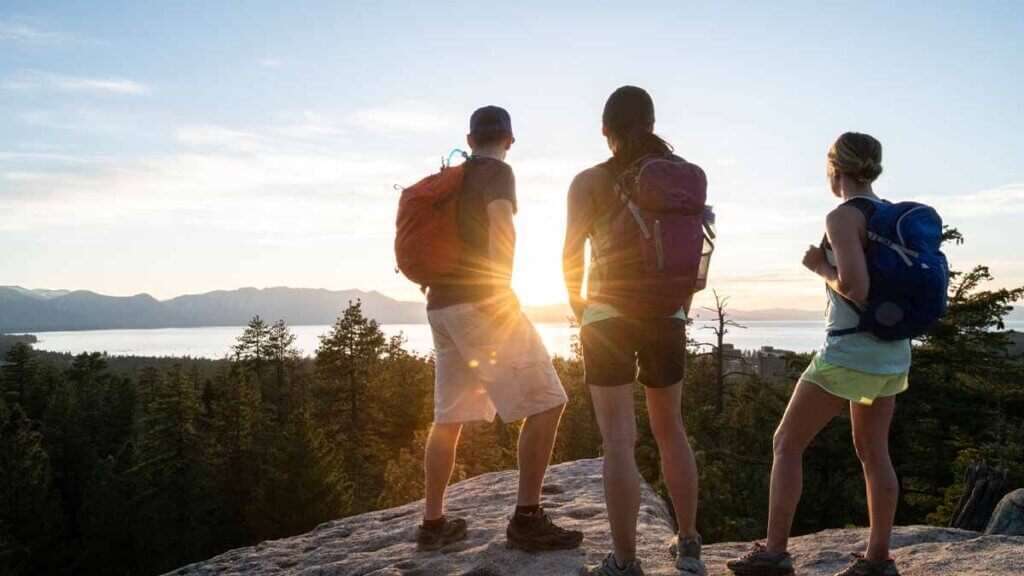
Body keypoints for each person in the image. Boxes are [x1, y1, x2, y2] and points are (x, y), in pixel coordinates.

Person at [726, 132, 908, 576]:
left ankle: (774, 552)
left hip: (849, 353)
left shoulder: (842, 217)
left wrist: (819, 267)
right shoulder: (889, 214)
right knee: (873, 451)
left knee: (786, 442)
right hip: (893, 354)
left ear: (834, 169)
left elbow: (855, 287)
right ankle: (878, 559)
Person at [416, 105, 584, 554]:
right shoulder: (497, 173)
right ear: (509, 140)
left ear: (469, 140)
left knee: (447, 417)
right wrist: (501, 293)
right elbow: (502, 227)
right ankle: (527, 519)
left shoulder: (452, 180)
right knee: (548, 402)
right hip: (480, 303)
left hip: (440, 306)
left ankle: (433, 524)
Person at [564, 86, 707, 576]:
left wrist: (582, 312)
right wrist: (678, 308)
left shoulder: (589, 182)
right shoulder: (681, 179)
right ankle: (688, 548)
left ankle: (625, 563)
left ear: (606, 130)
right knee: (671, 430)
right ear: (651, 123)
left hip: (608, 317)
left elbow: (569, 256)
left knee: (618, 441)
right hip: (668, 314)